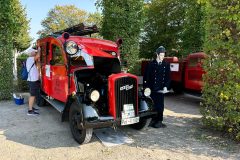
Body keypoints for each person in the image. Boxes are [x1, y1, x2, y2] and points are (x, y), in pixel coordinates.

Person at [143, 46, 170, 128]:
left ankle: (159, 121)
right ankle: (153, 120)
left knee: (160, 105)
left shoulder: (166, 64)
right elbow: (146, 77)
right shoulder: (151, 64)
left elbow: (168, 78)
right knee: (152, 105)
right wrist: (146, 88)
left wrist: (166, 87)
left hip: (161, 89)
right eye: (161, 55)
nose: (163, 57)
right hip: (152, 89)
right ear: (157, 55)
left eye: (163, 55)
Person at [26, 48, 40, 115]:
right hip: (32, 81)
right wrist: (39, 49)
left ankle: (31, 107)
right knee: (32, 95)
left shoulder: (31, 60)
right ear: (31, 53)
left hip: (33, 80)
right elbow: (38, 56)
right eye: (34, 52)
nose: (35, 53)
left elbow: (38, 64)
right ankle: (30, 111)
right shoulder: (30, 59)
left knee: (33, 95)